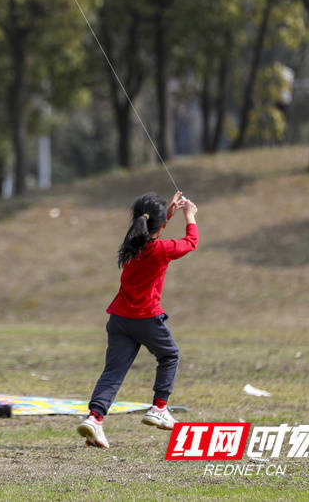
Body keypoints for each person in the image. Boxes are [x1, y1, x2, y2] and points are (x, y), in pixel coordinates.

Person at [78, 190, 198, 448]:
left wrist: (166, 215)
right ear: (160, 226)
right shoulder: (162, 249)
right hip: (146, 318)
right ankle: (159, 408)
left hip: (119, 318)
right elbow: (190, 242)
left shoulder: (130, 245)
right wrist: (190, 216)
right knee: (170, 356)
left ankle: (95, 418)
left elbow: (148, 233)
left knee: (113, 371)